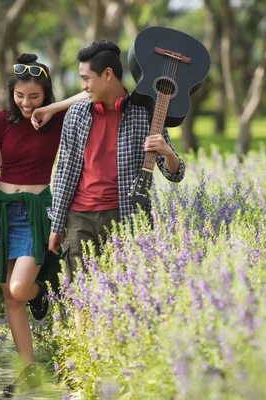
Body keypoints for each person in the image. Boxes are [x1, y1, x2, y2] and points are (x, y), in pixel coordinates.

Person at [0, 53, 88, 397]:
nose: (26, 103)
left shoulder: (56, 120)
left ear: (46, 95)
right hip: (3, 209)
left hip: (36, 210)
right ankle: (28, 370)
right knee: (9, 296)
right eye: (20, 96)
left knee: (19, 289)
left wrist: (54, 110)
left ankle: (41, 295)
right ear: (10, 94)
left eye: (34, 97)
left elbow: (90, 94)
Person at [48, 40, 186, 279]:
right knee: (80, 294)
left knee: (126, 292)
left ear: (108, 75)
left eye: (86, 78)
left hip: (126, 218)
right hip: (79, 219)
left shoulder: (145, 114)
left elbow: (175, 173)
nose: (83, 86)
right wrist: (57, 224)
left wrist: (168, 152)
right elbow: (64, 173)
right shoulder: (76, 114)